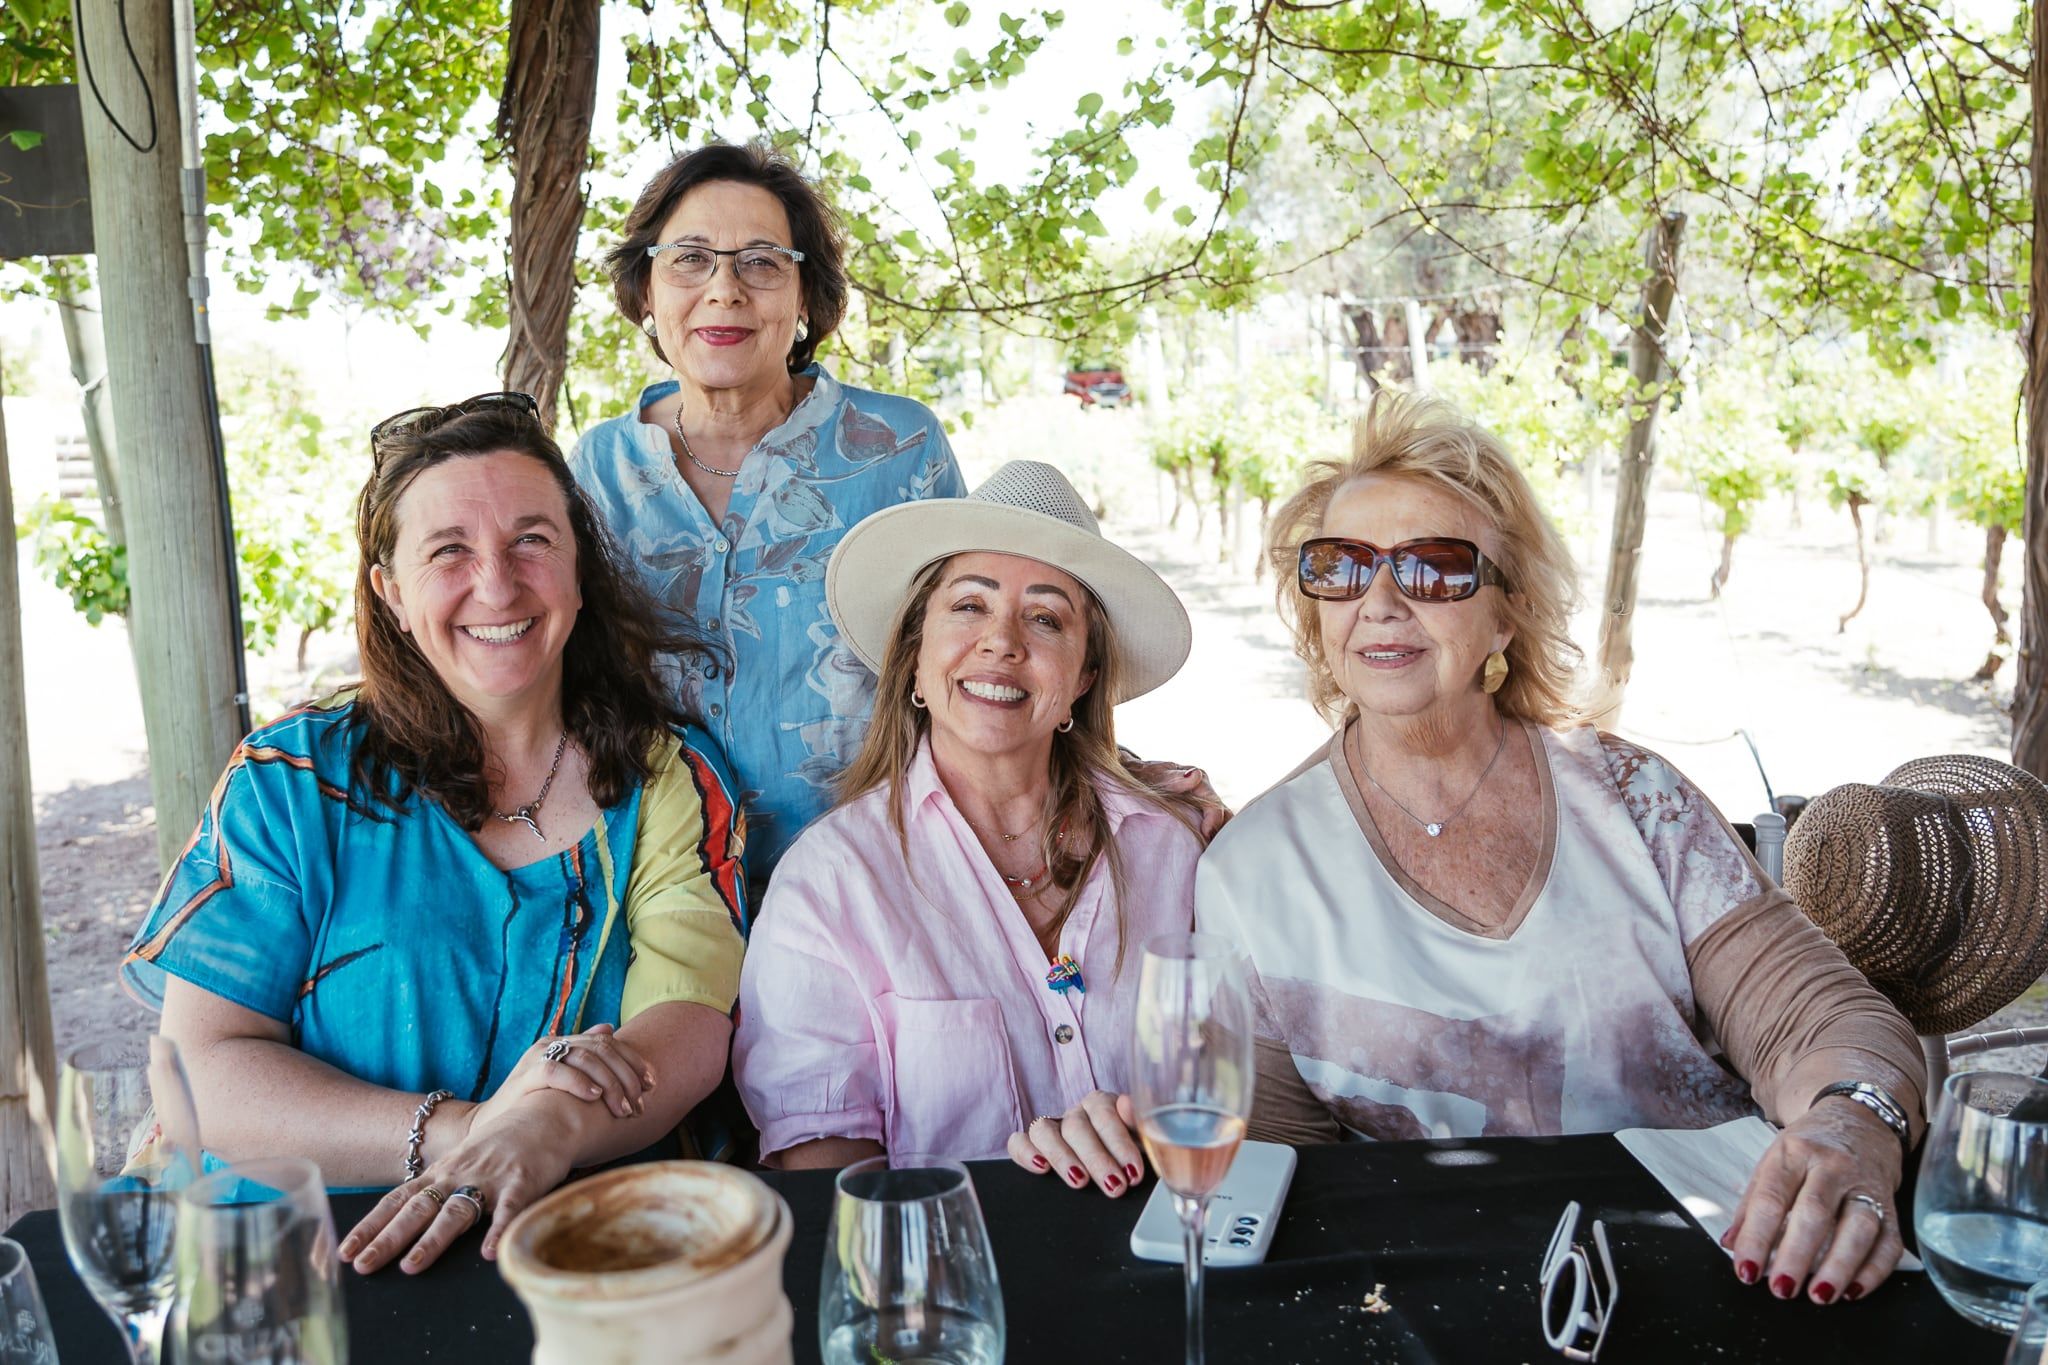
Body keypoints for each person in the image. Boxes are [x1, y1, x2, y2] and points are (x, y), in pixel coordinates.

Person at [1200, 392, 1927, 1309]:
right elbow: (1274, 1172)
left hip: (1722, 1261)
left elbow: (1816, 1018)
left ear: (1506, 618)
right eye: (1340, 567)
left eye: (1434, 567)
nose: (1379, 601)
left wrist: (1854, 1122)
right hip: (1451, 1296)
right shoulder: (1252, 870)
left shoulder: (1634, 798)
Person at [122, 393, 749, 1274]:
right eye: (448, 551)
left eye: (533, 539)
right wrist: (476, 1131)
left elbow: (686, 1021)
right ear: (392, 593)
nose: (496, 584)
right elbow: (200, 1068)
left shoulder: (667, 776)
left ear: (578, 569)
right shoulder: (291, 779)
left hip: (566, 1242)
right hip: (293, 1254)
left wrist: (547, 1125)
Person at [732, 461, 1210, 1191]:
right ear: (916, 663)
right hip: (949, 1288)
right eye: (968, 607)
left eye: (1046, 617)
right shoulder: (829, 883)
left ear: (1082, 677)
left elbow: (1241, 1083)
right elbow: (829, 1183)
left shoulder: (1172, 852)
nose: (1002, 642)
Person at [570, 141, 965, 893]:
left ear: (807, 296)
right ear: (645, 290)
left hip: (871, 885)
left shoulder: (900, 450)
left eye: (760, 261)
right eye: (689, 258)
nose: (724, 289)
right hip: (651, 892)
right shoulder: (597, 471)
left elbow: (974, 651)